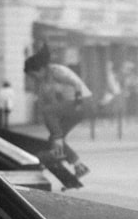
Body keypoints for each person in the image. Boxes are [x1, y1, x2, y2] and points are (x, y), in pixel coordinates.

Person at [23, 45, 92, 176]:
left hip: (82, 101)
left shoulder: (56, 71)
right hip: (73, 106)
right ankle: (79, 166)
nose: (34, 77)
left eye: (34, 74)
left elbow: (76, 83)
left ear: (41, 69)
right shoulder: (45, 80)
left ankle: (58, 148)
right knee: (53, 139)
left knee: (49, 115)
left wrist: (77, 102)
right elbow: (53, 106)